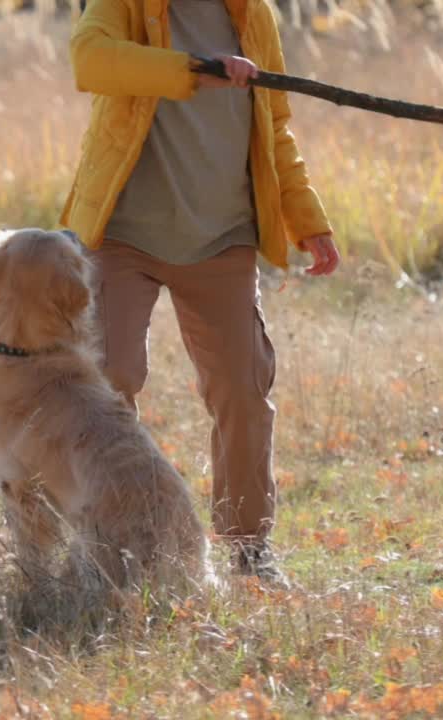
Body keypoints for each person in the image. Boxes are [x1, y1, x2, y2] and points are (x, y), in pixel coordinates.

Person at [60, 0, 341, 587]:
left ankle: (249, 548)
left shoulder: (251, 14)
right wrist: (192, 66)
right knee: (107, 376)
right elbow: (89, 61)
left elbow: (275, 126)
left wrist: (306, 219)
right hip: (122, 233)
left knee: (242, 387)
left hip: (223, 236)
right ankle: (112, 543)